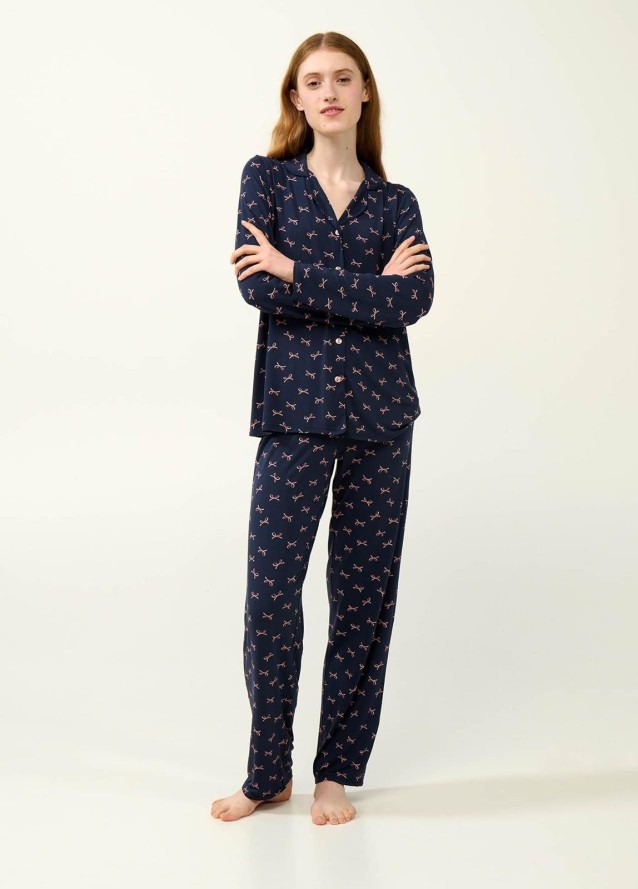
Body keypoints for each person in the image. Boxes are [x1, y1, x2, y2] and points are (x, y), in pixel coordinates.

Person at [211, 30, 434, 826]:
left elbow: (413, 301)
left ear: (364, 92)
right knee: (271, 594)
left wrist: (295, 270)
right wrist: (363, 289)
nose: (330, 90)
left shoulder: (395, 203)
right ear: (296, 99)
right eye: (314, 80)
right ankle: (267, 771)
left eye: (344, 77)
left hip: (382, 416)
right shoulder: (266, 180)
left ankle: (336, 772)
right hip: (294, 414)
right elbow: (255, 288)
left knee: (362, 598)